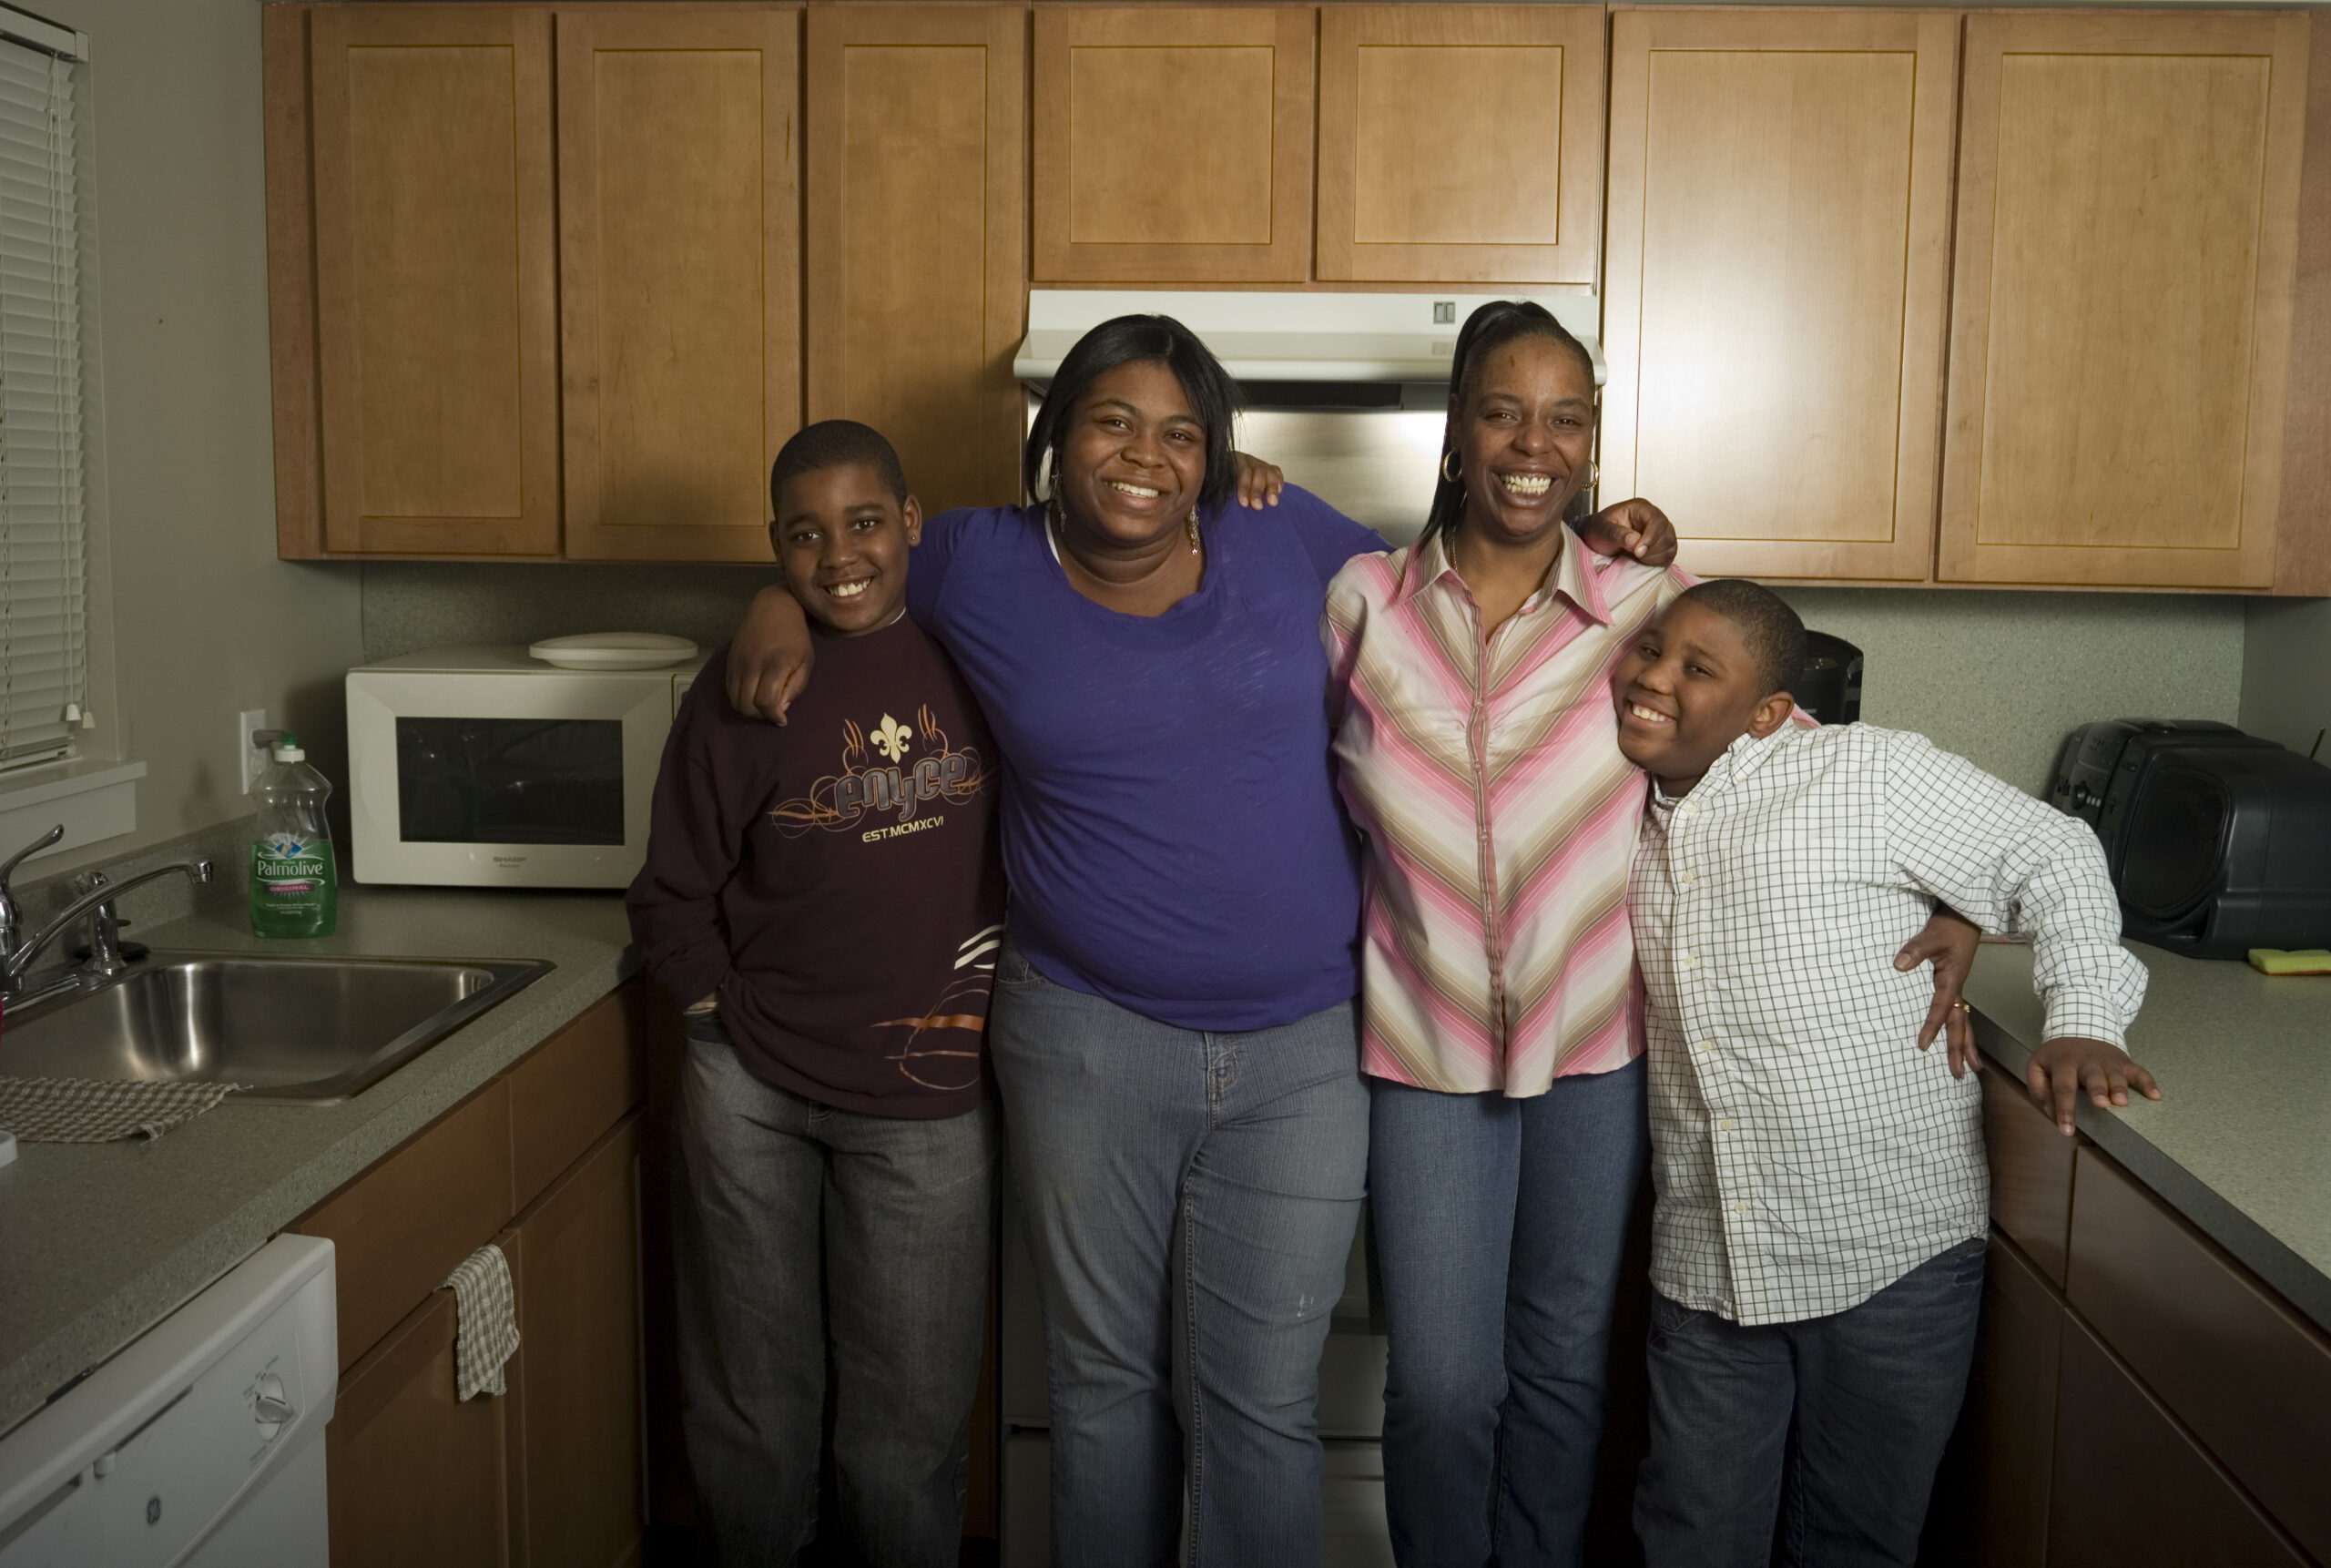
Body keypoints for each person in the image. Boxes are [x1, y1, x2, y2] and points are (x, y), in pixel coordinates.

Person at [717, 314, 1680, 1567]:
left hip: (1307, 1047)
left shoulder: (1286, 534)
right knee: (1105, 1385)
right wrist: (768, 609)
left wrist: (1616, 533)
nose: (1145, 455)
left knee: (1261, 1404)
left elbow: (1471, 577)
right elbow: (844, 557)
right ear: (1051, 433)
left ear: (1217, 457)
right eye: (1112, 420)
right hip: (1081, 1035)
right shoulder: (971, 559)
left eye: (1181, 433)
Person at [1323, 302, 1979, 1568]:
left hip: (1596, 1049)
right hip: (1423, 1042)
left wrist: (1950, 888)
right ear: (1456, 437)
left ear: (1593, 443)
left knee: (1565, 1368)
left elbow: (1807, 772)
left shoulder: (1648, 601)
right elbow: (1259, 768)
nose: (1535, 441)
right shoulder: (1362, 603)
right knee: (1444, 1388)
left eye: (1567, 417)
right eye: (1503, 411)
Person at [1613, 579, 2160, 1567]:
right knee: (1688, 1536)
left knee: (1857, 1543)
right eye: (1650, 650)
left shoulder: (1860, 773)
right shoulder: (1617, 805)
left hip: (1890, 1255)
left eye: (1697, 669)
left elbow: (2050, 849)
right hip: (1709, 1260)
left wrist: (2081, 1016)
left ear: (1770, 712)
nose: (1651, 678)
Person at [626, 421, 1006, 1568]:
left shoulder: (979, 654)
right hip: (751, 1097)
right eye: (804, 535)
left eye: (864, 523)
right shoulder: (746, 684)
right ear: (774, 547)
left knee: (906, 1430)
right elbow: (670, 890)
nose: (839, 554)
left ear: (912, 524)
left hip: (926, 1104)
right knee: (752, 1411)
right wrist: (715, 1022)